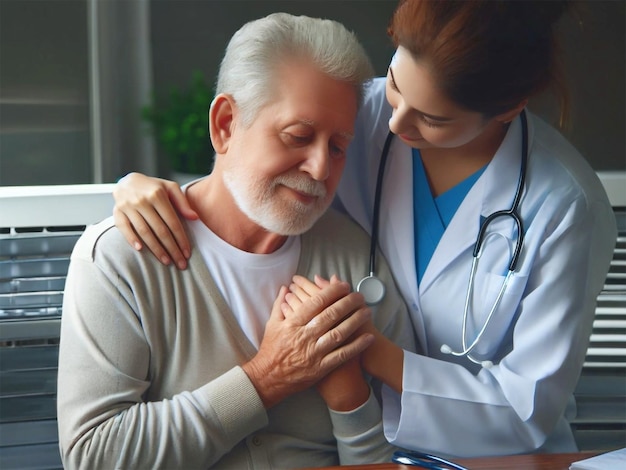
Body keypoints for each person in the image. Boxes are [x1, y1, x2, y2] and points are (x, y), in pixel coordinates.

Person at [112, 0, 618, 459]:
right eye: (396, 84)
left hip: (495, 454)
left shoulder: (565, 205)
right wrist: (138, 186)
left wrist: (368, 351)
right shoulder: (353, 114)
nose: (396, 125)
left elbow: (525, 408)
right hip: (354, 443)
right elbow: (250, 167)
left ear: (508, 110)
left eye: (433, 119)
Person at [57, 13, 417, 469]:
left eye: (339, 146)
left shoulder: (353, 255)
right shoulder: (121, 257)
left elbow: (409, 447)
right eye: (298, 136)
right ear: (226, 124)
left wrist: (350, 399)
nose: (321, 168)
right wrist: (268, 378)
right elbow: (93, 457)